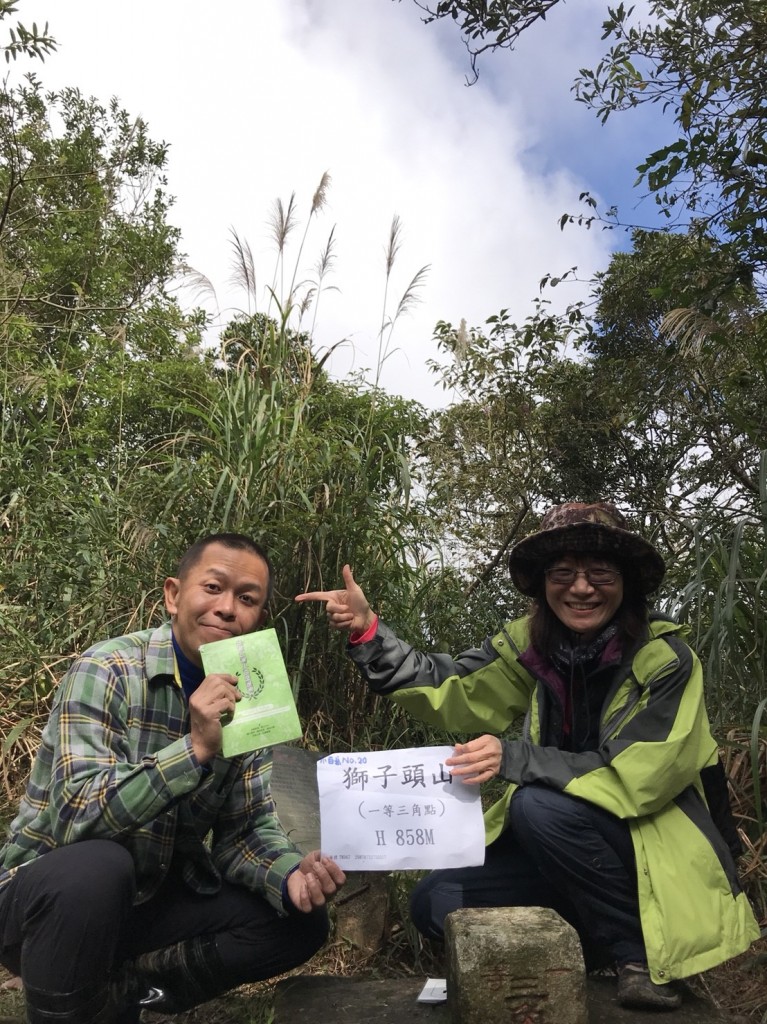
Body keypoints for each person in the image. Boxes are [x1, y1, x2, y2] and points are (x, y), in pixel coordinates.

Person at [296, 502, 759, 1011]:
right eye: (562, 573)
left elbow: (639, 776)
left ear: (627, 582)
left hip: (653, 849)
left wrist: (515, 759)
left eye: (600, 572)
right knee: (436, 903)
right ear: (543, 584)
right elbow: (450, 688)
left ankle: (640, 957)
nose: (580, 588)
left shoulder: (668, 660)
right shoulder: (534, 647)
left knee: (535, 806)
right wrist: (367, 631)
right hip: (569, 848)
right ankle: (586, 944)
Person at [0, 532, 345, 1024]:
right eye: (213, 588)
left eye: (247, 599)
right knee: (98, 866)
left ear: (258, 620)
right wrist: (197, 749)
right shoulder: (107, 668)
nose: (227, 609)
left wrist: (290, 872)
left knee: (301, 920)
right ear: (173, 595)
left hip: (148, 899)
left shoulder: (250, 698)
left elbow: (245, 832)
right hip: (48, 900)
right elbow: (76, 814)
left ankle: (129, 994)